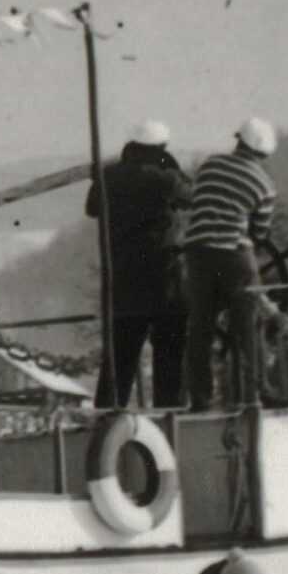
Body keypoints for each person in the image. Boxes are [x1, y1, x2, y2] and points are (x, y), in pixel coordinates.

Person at [88, 121, 190, 410]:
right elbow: (193, 195)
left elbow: (92, 207)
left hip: (123, 282)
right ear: (162, 149)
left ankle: (106, 420)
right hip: (164, 281)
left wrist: (104, 176)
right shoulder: (166, 179)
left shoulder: (109, 177)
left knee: (120, 360)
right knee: (170, 359)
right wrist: (171, 165)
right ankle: (168, 420)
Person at [180, 118, 280, 411]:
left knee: (200, 326)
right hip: (234, 255)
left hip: (197, 253)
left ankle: (200, 399)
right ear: (264, 154)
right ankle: (255, 394)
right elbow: (259, 233)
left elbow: (199, 200)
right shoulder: (263, 184)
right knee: (250, 325)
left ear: (238, 140)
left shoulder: (210, 165)